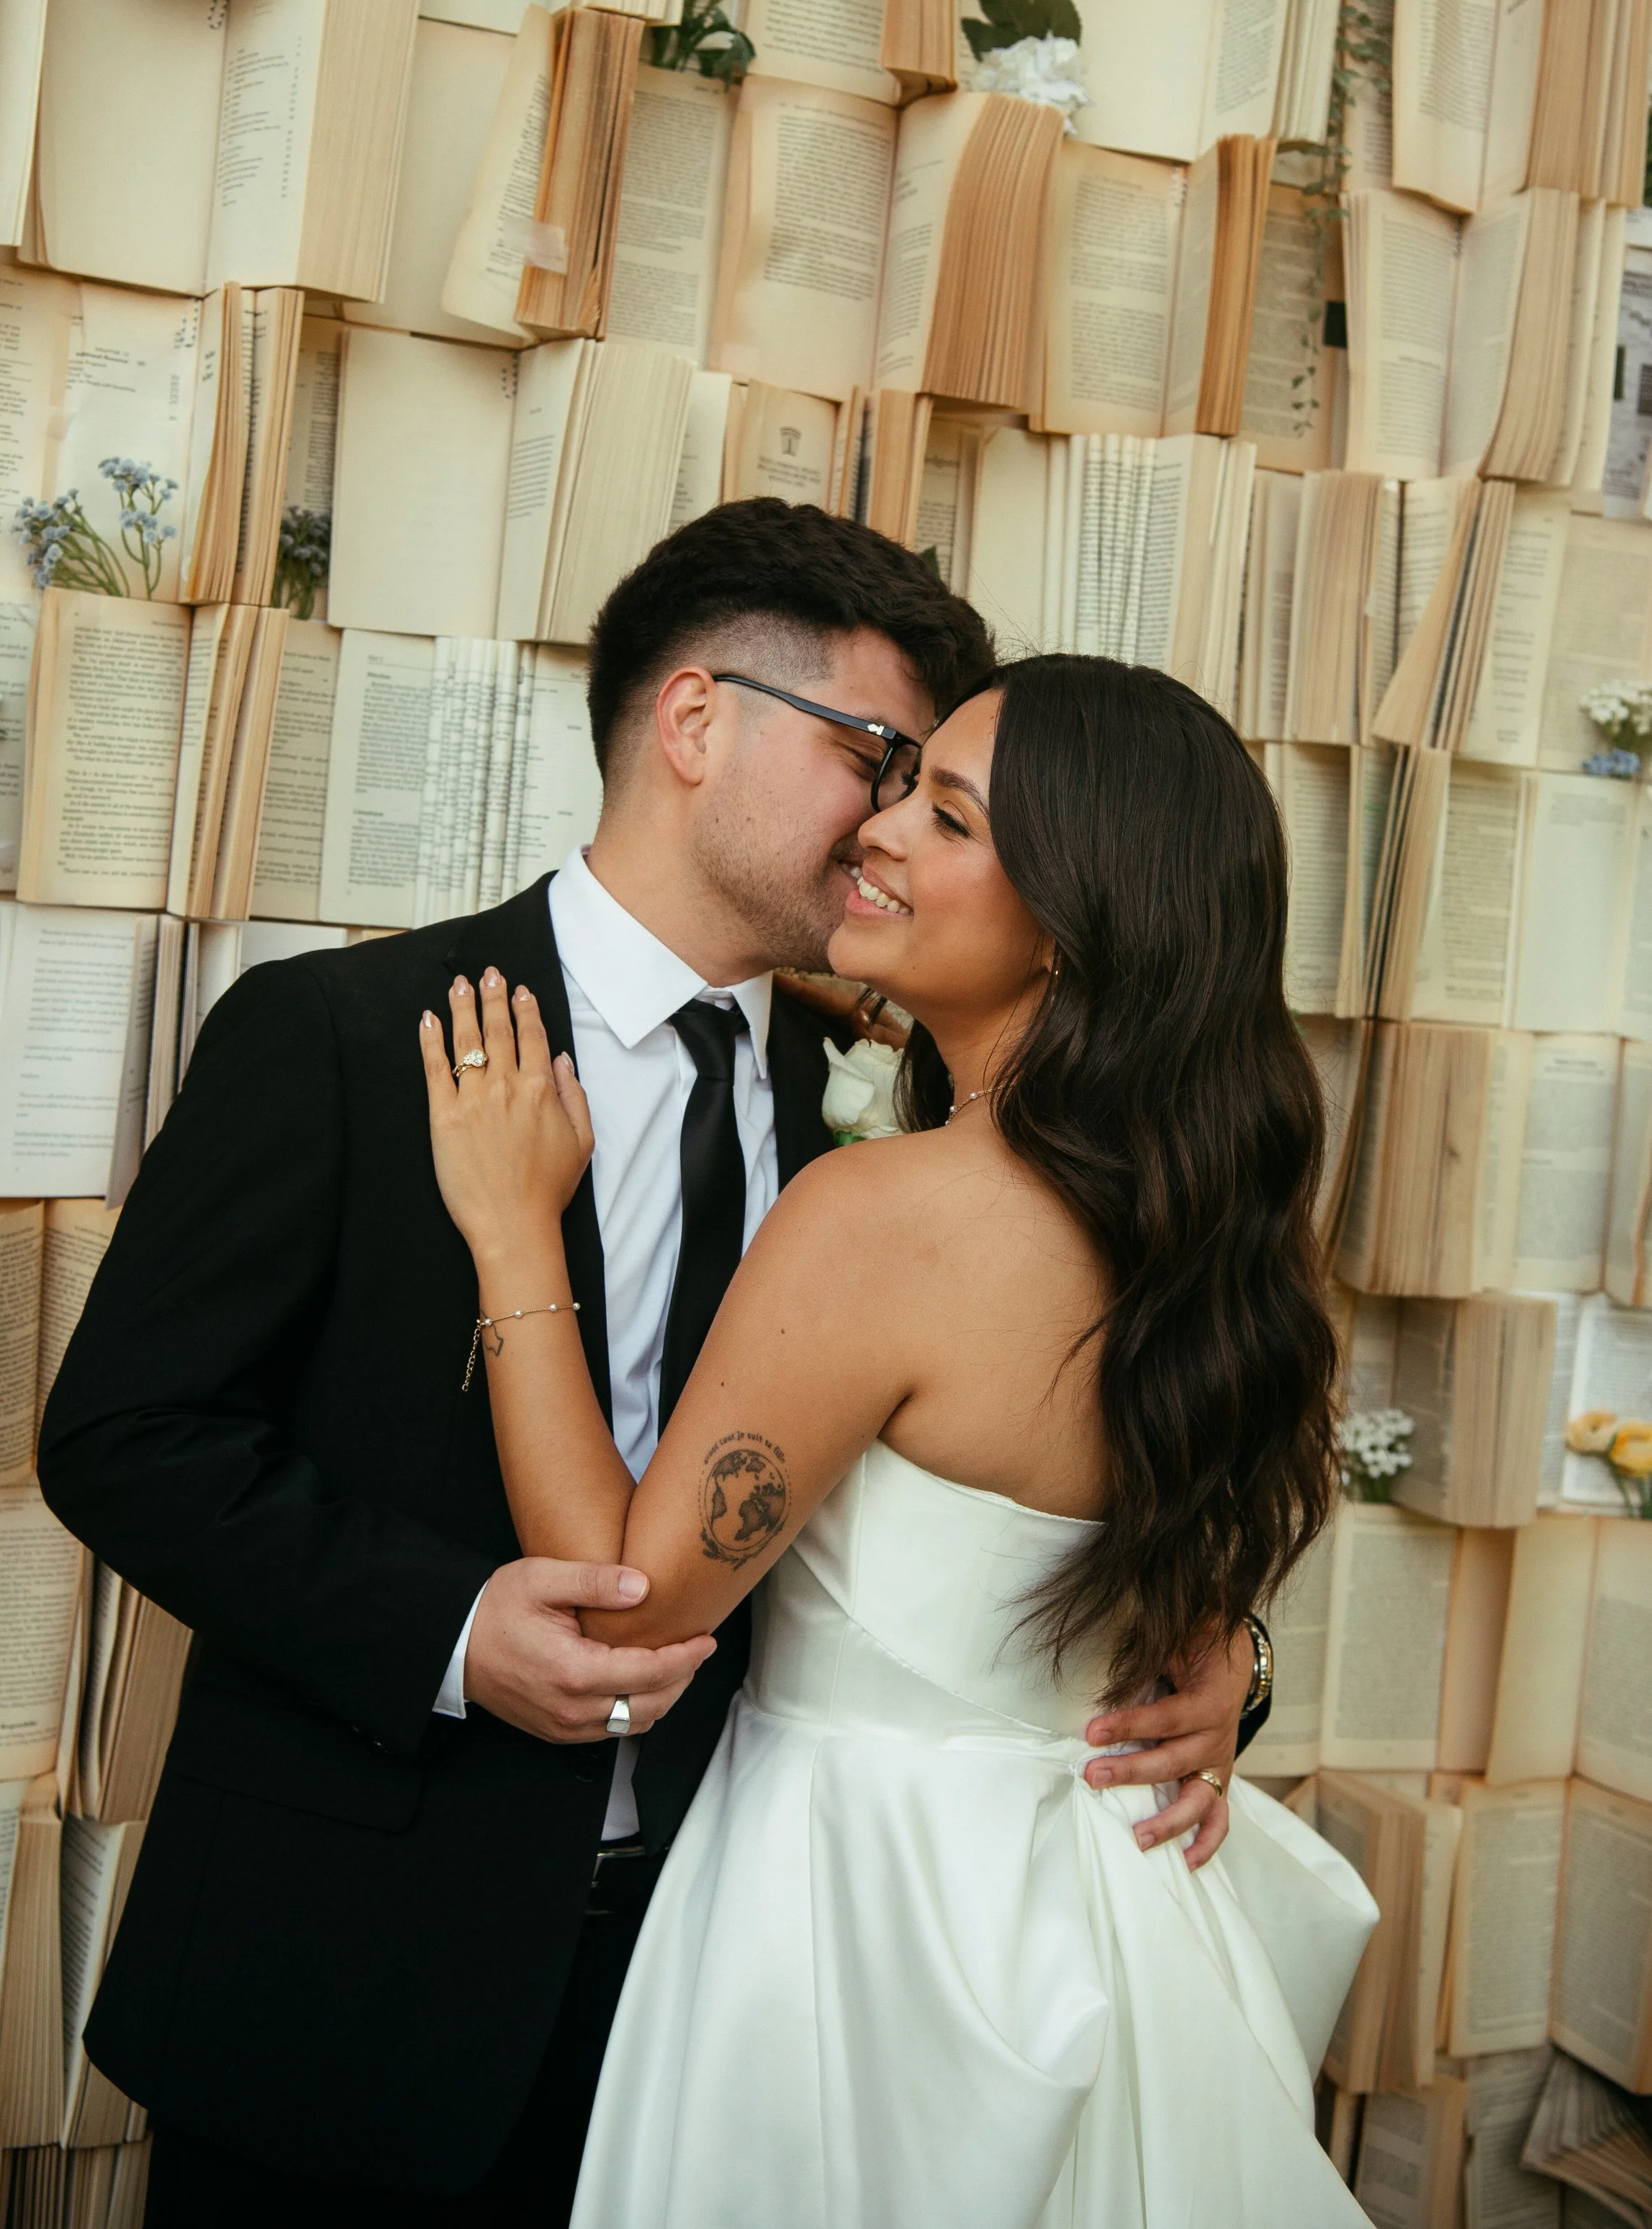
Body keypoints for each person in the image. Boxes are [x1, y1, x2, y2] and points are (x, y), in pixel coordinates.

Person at [37, 505, 1270, 2228]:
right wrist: (454, 1635)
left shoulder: (889, 1110)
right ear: (693, 723)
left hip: (738, 1997)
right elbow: (123, 1441)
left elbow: (1004, 1480)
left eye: (932, 786)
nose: (889, 817)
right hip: (346, 1979)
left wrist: (1199, 1668)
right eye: (874, 756)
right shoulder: (342, 1039)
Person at [419, 651, 1377, 2229]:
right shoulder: (1205, 1237)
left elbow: (627, 1601)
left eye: (943, 815)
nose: (875, 828)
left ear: (1075, 918)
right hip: (1106, 1922)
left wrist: (519, 1236)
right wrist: (1234, 1663)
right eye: (898, 781)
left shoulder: (886, 1215)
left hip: (858, 1930)